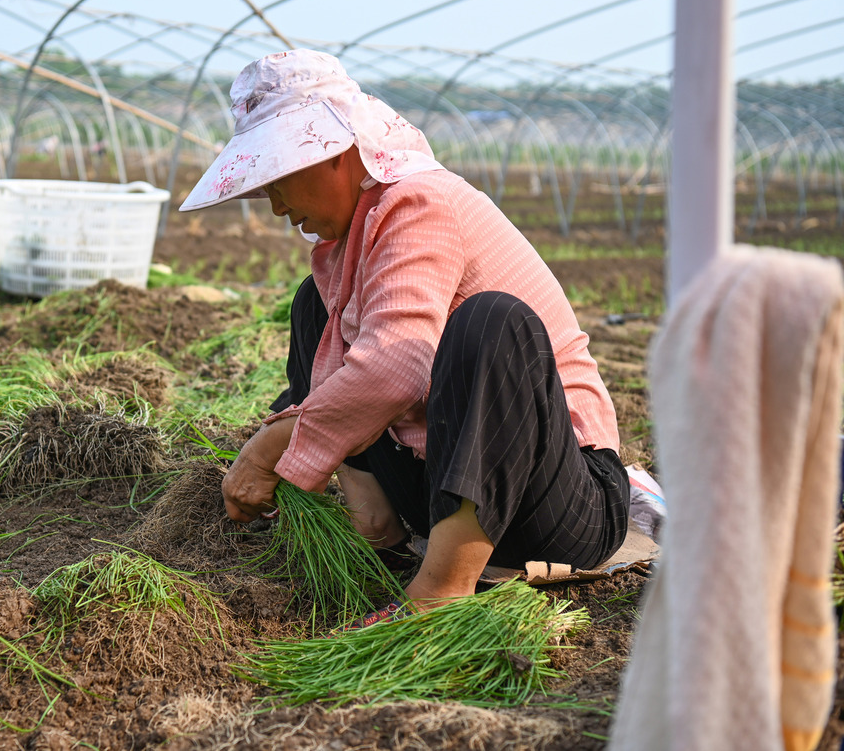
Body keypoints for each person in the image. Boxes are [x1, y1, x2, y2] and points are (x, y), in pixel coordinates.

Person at [179, 49, 630, 619]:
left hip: (556, 501)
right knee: (314, 307)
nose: (275, 206)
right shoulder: (356, 233)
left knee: (492, 321)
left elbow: (397, 366)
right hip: (441, 488)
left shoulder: (420, 201)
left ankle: (441, 588)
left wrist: (272, 444)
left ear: (338, 154)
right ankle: (377, 521)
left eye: (280, 179)